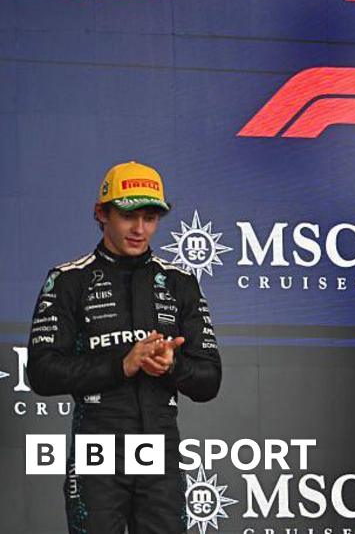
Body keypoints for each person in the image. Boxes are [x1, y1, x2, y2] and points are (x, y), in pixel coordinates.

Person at [27, 161, 221, 534]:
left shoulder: (179, 282)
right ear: (102, 214)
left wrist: (173, 366)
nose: (139, 229)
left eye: (150, 218)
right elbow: (41, 372)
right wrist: (122, 364)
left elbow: (210, 380)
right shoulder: (68, 280)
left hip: (159, 446)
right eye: (128, 216)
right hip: (97, 449)